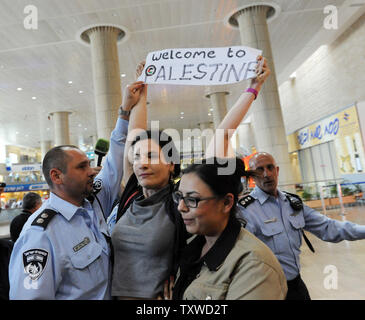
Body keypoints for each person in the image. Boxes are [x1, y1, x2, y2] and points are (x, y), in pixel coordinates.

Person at [109, 56, 271, 299]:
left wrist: (253, 88)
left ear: (171, 163)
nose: (142, 162)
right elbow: (135, 133)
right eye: (138, 156)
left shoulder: (181, 203)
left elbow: (222, 136)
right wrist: (143, 87)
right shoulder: (131, 195)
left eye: (152, 155)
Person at [8, 81, 143, 300]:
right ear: (56, 176)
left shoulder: (94, 202)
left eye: (89, 164)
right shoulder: (40, 235)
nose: (91, 172)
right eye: (82, 167)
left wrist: (125, 111)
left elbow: (114, 161)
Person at [238, 152, 365, 300]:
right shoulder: (245, 209)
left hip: (296, 286)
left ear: (277, 170)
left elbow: (328, 227)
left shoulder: (292, 203)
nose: (266, 174)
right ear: (252, 176)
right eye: (259, 170)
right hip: (267, 291)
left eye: (270, 167)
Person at [171, 157, 287, 300]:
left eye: (192, 199)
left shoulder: (254, 265)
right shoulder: (193, 245)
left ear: (226, 202)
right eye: (179, 197)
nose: (181, 207)